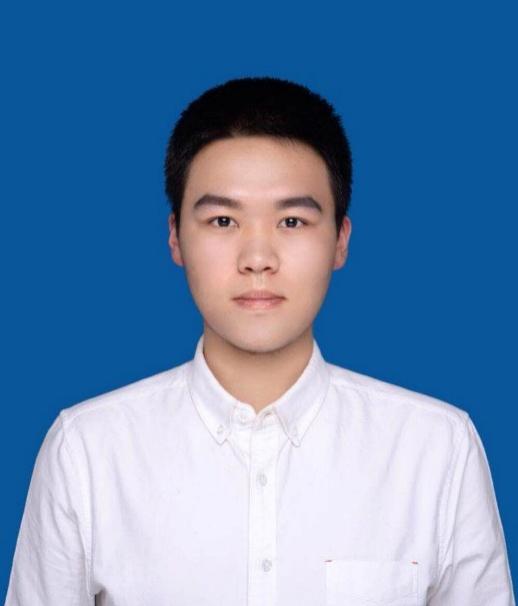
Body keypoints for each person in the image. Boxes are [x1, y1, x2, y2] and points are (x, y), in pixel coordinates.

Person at [4, 76, 515, 606]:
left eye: (292, 221)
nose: (257, 259)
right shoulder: (87, 452)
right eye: (223, 220)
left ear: (340, 239)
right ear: (176, 236)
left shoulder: (437, 450)